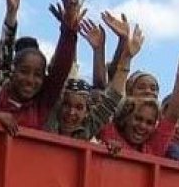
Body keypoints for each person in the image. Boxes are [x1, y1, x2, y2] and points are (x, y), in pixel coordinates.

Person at [0, 0, 82, 134]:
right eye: (24, 71)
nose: (30, 80)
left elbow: (61, 67)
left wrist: (69, 27)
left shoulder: (42, 102)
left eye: (38, 74)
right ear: (13, 71)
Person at [98, 44, 179, 155]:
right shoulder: (110, 135)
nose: (142, 126)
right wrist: (127, 58)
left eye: (149, 123)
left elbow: (173, 116)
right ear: (126, 118)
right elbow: (110, 102)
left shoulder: (152, 149)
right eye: (138, 118)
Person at [49, 13, 144, 141]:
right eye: (67, 105)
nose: (71, 112)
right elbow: (60, 71)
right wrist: (68, 33)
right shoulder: (47, 121)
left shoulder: (87, 129)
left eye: (79, 107)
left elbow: (112, 99)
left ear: (87, 112)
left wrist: (127, 57)